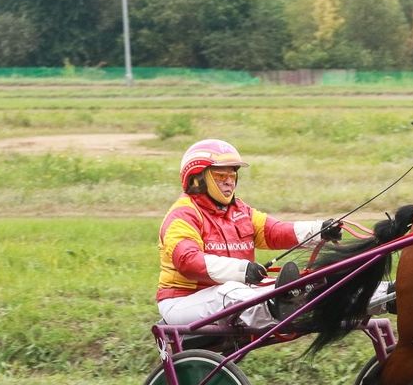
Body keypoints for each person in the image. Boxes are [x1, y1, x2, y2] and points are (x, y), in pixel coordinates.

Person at [156, 139, 392, 329]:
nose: (229, 182)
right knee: (229, 292)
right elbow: (188, 261)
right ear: (197, 178)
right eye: (220, 176)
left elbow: (274, 231)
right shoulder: (183, 215)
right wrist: (242, 270)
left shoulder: (240, 211)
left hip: (237, 294)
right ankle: (281, 306)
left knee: (312, 283)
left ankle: (386, 295)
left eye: (232, 175)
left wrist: (319, 230)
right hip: (183, 301)